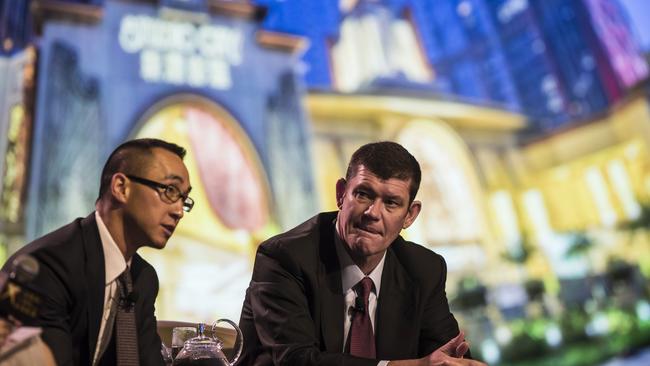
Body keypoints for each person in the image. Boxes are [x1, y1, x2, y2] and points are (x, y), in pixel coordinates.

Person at [239, 141, 486, 366]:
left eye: (391, 203)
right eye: (363, 194)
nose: (373, 213)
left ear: (410, 215)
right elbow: (297, 361)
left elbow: (444, 356)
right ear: (341, 194)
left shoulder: (423, 269)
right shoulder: (284, 258)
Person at [2, 138, 193, 365]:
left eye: (184, 198)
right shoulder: (48, 268)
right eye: (170, 190)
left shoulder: (143, 278)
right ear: (121, 187)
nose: (179, 211)